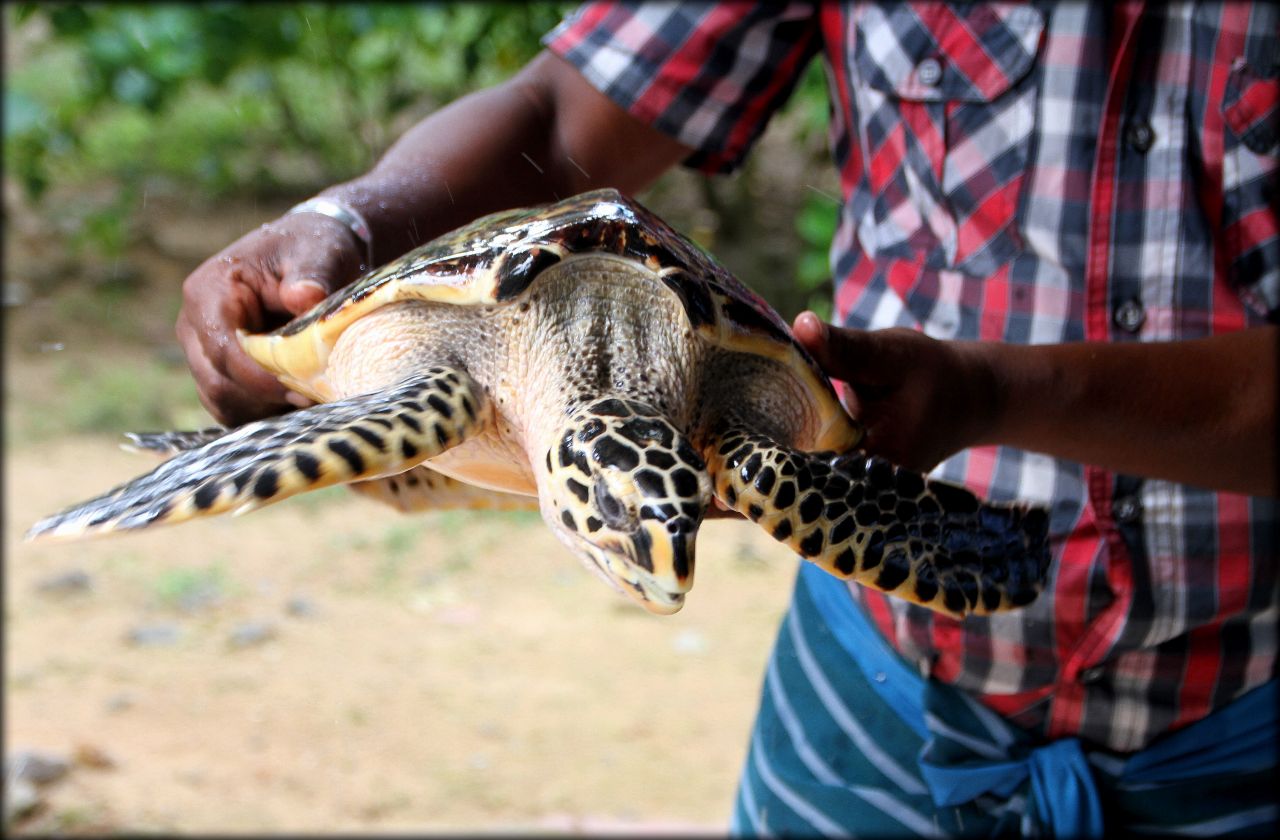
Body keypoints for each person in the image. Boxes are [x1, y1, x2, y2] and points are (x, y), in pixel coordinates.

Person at [176, 2, 1278, 835]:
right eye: (634, 526)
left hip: (1246, 703)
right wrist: (343, 221)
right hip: (871, 695)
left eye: (659, 530)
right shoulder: (460, 376)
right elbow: (567, 110)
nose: (665, 571)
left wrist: (991, 394)